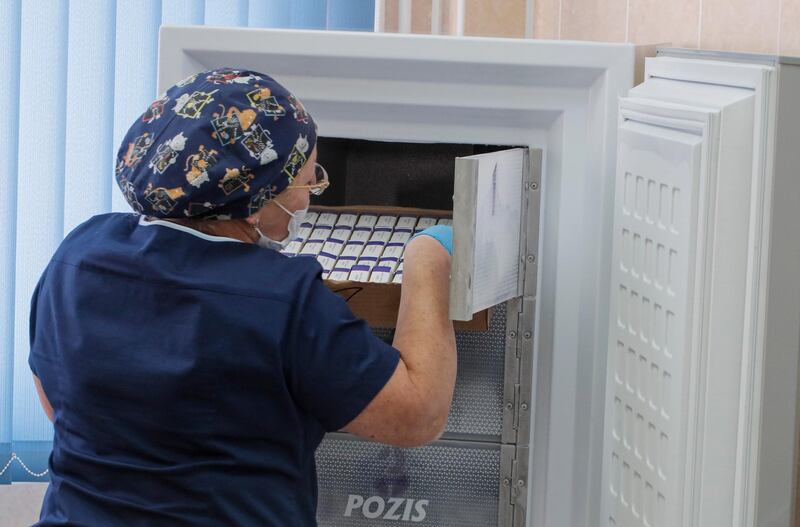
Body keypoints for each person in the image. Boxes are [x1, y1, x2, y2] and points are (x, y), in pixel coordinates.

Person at [28, 67, 456, 526]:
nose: (308, 200)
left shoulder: (80, 256)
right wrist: (428, 258)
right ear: (255, 198)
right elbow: (418, 414)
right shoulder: (283, 300)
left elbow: (58, 404)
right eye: (307, 183)